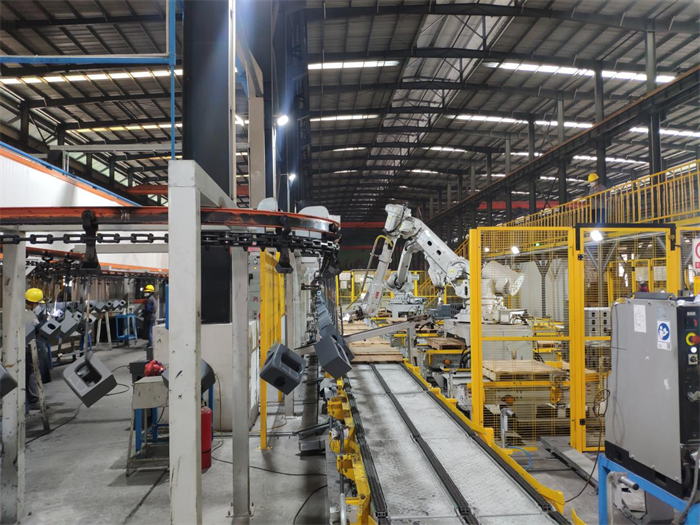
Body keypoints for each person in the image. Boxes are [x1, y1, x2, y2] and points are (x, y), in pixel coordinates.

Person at [24, 288, 44, 410]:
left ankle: (30, 399)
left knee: (29, 373)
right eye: (38, 303)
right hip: (27, 347)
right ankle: (33, 400)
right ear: (33, 303)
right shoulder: (29, 315)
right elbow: (38, 328)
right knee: (31, 373)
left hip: (25, 345)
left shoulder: (25, 311)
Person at [143, 284, 157, 349]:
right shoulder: (153, 298)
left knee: (150, 331)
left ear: (150, 292)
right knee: (151, 330)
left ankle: (150, 344)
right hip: (153, 316)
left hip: (150, 316)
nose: (146, 293)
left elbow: (148, 309)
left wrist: (142, 310)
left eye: (147, 292)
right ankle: (152, 343)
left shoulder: (149, 299)